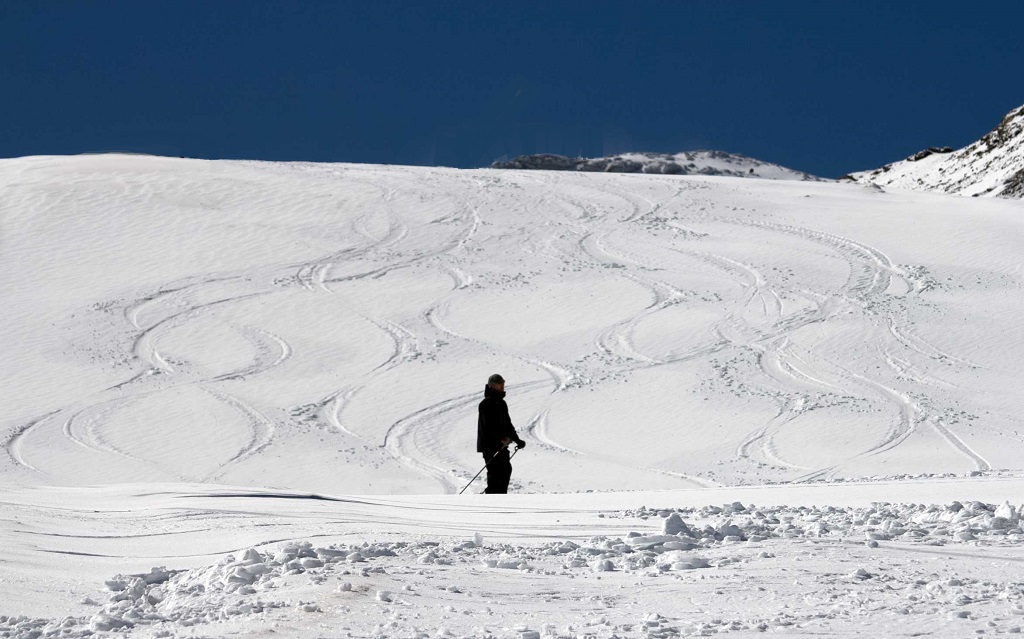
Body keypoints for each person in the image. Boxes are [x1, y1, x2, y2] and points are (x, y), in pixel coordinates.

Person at [477, 373, 525, 494]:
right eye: (500, 384)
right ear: (492, 386)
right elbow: (488, 426)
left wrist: (517, 440)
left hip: (501, 444)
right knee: (495, 472)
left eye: (503, 383)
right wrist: (500, 439)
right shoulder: (486, 403)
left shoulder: (501, 403)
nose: (503, 386)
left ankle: (501, 497)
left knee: (505, 470)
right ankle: (492, 499)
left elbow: (508, 424)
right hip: (489, 445)